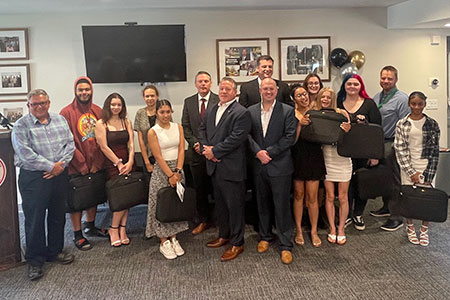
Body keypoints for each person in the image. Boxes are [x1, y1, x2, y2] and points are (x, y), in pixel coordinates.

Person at [12, 89, 75, 281]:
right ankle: (35, 260)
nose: (39, 107)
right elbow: (25, 153)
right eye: (34, 104)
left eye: (43, 103)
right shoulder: (21, 126)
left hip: (59, 175)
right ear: (28, 106)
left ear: (49, 103)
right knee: (35, 219)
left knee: (57, 215)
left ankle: (54, 251)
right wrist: (50, 166)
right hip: (34, 178)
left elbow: (70, 145)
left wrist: (60, 167)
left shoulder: (60, 120)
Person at [199, 77, 251, 262]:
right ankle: (224, 235)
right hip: (214, 166)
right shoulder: (213, 108)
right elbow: (202, 129)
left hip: (231, 167)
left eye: (227, 89)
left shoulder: (241, 112)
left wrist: (215, 151)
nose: (223, 91)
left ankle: (237, 243)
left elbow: (236, 138)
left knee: (235, 207)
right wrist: (207, 151)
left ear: (235, 92)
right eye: (221, 88)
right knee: (221, 205)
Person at [248, 78, 297, 264]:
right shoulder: (250, 111)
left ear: (276, 90)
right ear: (260, 90)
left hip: (280, 166)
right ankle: (265, 236)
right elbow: (247, 135)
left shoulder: (287, 111)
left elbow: (289, 137)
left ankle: (286, 245)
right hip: (259, 165)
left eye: (272, 88)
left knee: (282, 206)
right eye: (265, 88)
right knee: (262, 203)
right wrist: (258, 152)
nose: (268, 91)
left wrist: (268, 152)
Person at [60, 76, 108, 252]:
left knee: (93, 196)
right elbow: (67, 141)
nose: (84, 93)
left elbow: (104, 140)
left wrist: (97, 162)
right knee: (77, 201)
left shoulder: (98, 111)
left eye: (87, 89)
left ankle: (91, 226)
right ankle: (77, 233)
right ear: (75, 91)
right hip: (75, 166)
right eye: (80, 90)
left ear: (91, 91)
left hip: (96, 165)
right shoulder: (66, 113)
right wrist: (80, 163)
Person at [394, 91, 440, 246]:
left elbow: (434, 151)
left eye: (420, 104)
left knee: (427, 198)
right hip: (408, 165)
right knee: (409, 197)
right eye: (413, 104)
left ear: (424, 105)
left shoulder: (432, 124)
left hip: (426, 165)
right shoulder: (402, 123)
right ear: (409, 104)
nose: (416, 107)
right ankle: (411, 227)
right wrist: (411, 172)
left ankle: (424, 229)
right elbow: (399, 149)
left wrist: (427, 174)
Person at [337, 74, 382, 231]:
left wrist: (375, 154)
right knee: (346, 184)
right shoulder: (338, 103)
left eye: (355, 84)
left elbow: (377, 130)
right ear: (344, 86)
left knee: (362, 183)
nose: (352, 87)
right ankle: (347, 213)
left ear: (361, 86)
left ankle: (358, 214)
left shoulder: (369, 104)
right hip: (344, 151)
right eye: (349, 84)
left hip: (364, 151)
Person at [145, 99, 188, 259]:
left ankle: (174, 237)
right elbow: (157, 156)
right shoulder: (153, 131)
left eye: (168, 112)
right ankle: (164, 241)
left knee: (175, 204)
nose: (165, 115)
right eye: (162, 112)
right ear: (156, 113)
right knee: (162, 205)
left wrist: (178, 171)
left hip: (178, 168)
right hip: (162, 171)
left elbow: (181, 150)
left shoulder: (178, 127)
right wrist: (170, 175)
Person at [370, 66, 410, 232]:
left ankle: (396, 216)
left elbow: (405, 125)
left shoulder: (402, 99)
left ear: (396, 80)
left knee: (394, 180)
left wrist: (399, 147)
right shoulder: (377, 96)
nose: (386, 81)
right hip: (379, 141)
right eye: (383, 78)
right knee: (383, 177)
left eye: (389, 79)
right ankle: (386, 207)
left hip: (393, 142)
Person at [182, 71, 219, 235]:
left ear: (211, 83)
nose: (203, 84)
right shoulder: (188, 102)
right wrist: (196, 144)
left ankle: (220, 219)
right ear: (196, 84)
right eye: (200, 81)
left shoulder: (219, 100)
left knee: (218, 188)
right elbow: (185, 126)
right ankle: (203, 220)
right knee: (200, 189)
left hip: (216, 153)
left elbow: (223, 126)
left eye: (206, 81)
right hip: (196, 153)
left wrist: (211, 147)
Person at [95, 93, 134, 247]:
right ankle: (113, 228)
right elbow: (103, 146)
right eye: (113, 105)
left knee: (128, 197)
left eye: (119, 105)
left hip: (128, 163)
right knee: (119, 197)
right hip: (112, 165)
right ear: (108, 106)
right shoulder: (101, 123)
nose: (116, 107)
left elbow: (131, 144)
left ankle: (122, 229)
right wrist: (118, 163)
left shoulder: (126, 122)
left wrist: (130, 161)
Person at [291, 85, 326, 248]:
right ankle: (298, 230)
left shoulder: (317, 111)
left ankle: (313, 231)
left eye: (304, 94)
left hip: (314, 157)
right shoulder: (290, 114)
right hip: (297, 157)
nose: (303, 97)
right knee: (298, 195)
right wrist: (300, 125)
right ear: (294, 99)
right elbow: (291, 141)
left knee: (313, 197)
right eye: (299, 95)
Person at [316, 87, 352, 245]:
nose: (325, 100)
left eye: (328, 97)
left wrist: (348, 130)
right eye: (322, 97)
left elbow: (350, 136)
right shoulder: (316, 114)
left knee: (343, 197)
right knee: (329, 196)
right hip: (326, 158)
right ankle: (332, 228)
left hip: (342, 158)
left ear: (333, 99)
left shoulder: (341, 113)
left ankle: (341, 228)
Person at [134, 85, 159, 174]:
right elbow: (141, 140)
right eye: (147, 96)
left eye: (152, 95)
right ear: (143, 97)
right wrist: (147, 162)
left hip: (163, 155)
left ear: (157, 96)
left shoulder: (163, 111)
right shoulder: (140, 113)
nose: (150, 98)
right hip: (147, 156)